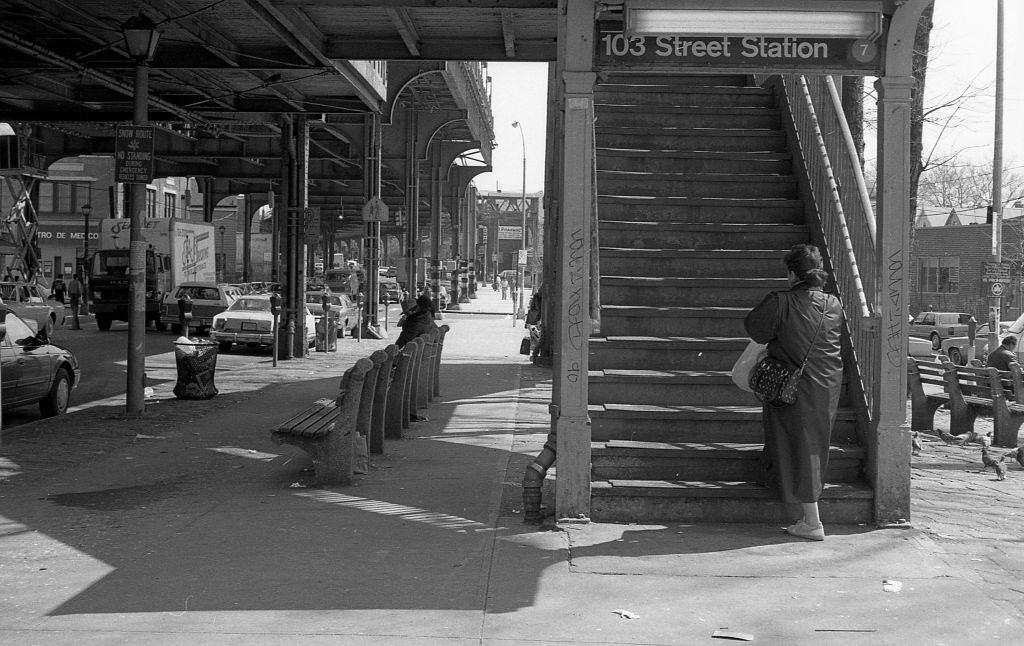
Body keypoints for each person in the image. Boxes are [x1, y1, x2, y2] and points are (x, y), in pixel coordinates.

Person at [744, 244, 845, 542]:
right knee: (813, 445)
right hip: (826, 384)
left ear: (791, 274)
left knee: (798, 446)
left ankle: (812, 522)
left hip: (792, 385)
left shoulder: (781, 301)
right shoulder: (834, 305)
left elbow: (756, 330)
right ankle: (803, 510)